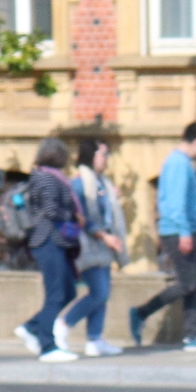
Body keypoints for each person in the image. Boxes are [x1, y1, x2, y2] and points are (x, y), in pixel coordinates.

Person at [126, 121, 196, 352]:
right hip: (180, 231)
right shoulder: (179, 164)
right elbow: (176, 203)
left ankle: (193, 335)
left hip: (186, 229)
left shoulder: (180, 163)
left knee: (194, 284)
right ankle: (141, 313)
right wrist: (185, 233)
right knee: (188, 283)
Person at [12, 135, 84, 364]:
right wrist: (73, 217)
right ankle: (47, 345)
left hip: (54, 241)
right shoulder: (49, 179)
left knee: (68, 291)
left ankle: (30, 327)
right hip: (49, 240)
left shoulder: (47, 177)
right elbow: (51, 210)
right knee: (56, 293)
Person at [61, 137, 127, 356]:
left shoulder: (100, 182)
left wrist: (110, 199)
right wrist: (103, 236)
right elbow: (80, 215)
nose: (107, 159)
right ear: (91, 156)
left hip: (103, 245)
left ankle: (95, 338)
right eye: (103, 154)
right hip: (88, 245)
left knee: (103, 292)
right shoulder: (80, 183)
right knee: (99, 292)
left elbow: (102, 209)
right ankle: (64, 324)